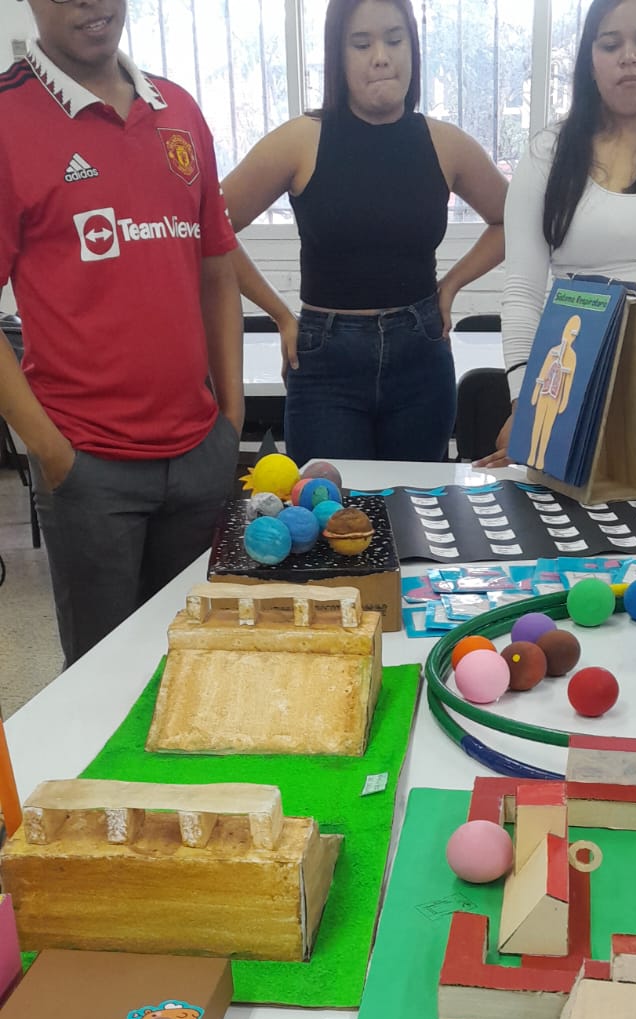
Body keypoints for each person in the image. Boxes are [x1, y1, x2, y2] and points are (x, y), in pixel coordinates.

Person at [0, 0, 244, 667]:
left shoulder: (179, 110)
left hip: (199, 455)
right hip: (89, 469)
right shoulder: (8, 119)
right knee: (102, 686)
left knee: (198, 666)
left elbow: (217, 269)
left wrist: (231, 418)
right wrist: (53, 453)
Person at [222, 0, 507, 464]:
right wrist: (279, 315)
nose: (381, 57)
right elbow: (206, 226)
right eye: (361, 44)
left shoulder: (445, 144)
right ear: (338, 55)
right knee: (331, 505)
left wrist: (451, 285)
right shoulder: (300, 141)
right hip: (326, 366)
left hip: (421, 361)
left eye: (394, 40)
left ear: (412, 48)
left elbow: (511, 220)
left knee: (417, 505)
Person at [480, 0, 636, 514]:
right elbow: (522, 291)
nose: (628, 56)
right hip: (572, 380)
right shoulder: (548, 151)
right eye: (610, 44)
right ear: (590, 60)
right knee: (572, 522)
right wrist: (524, 401)